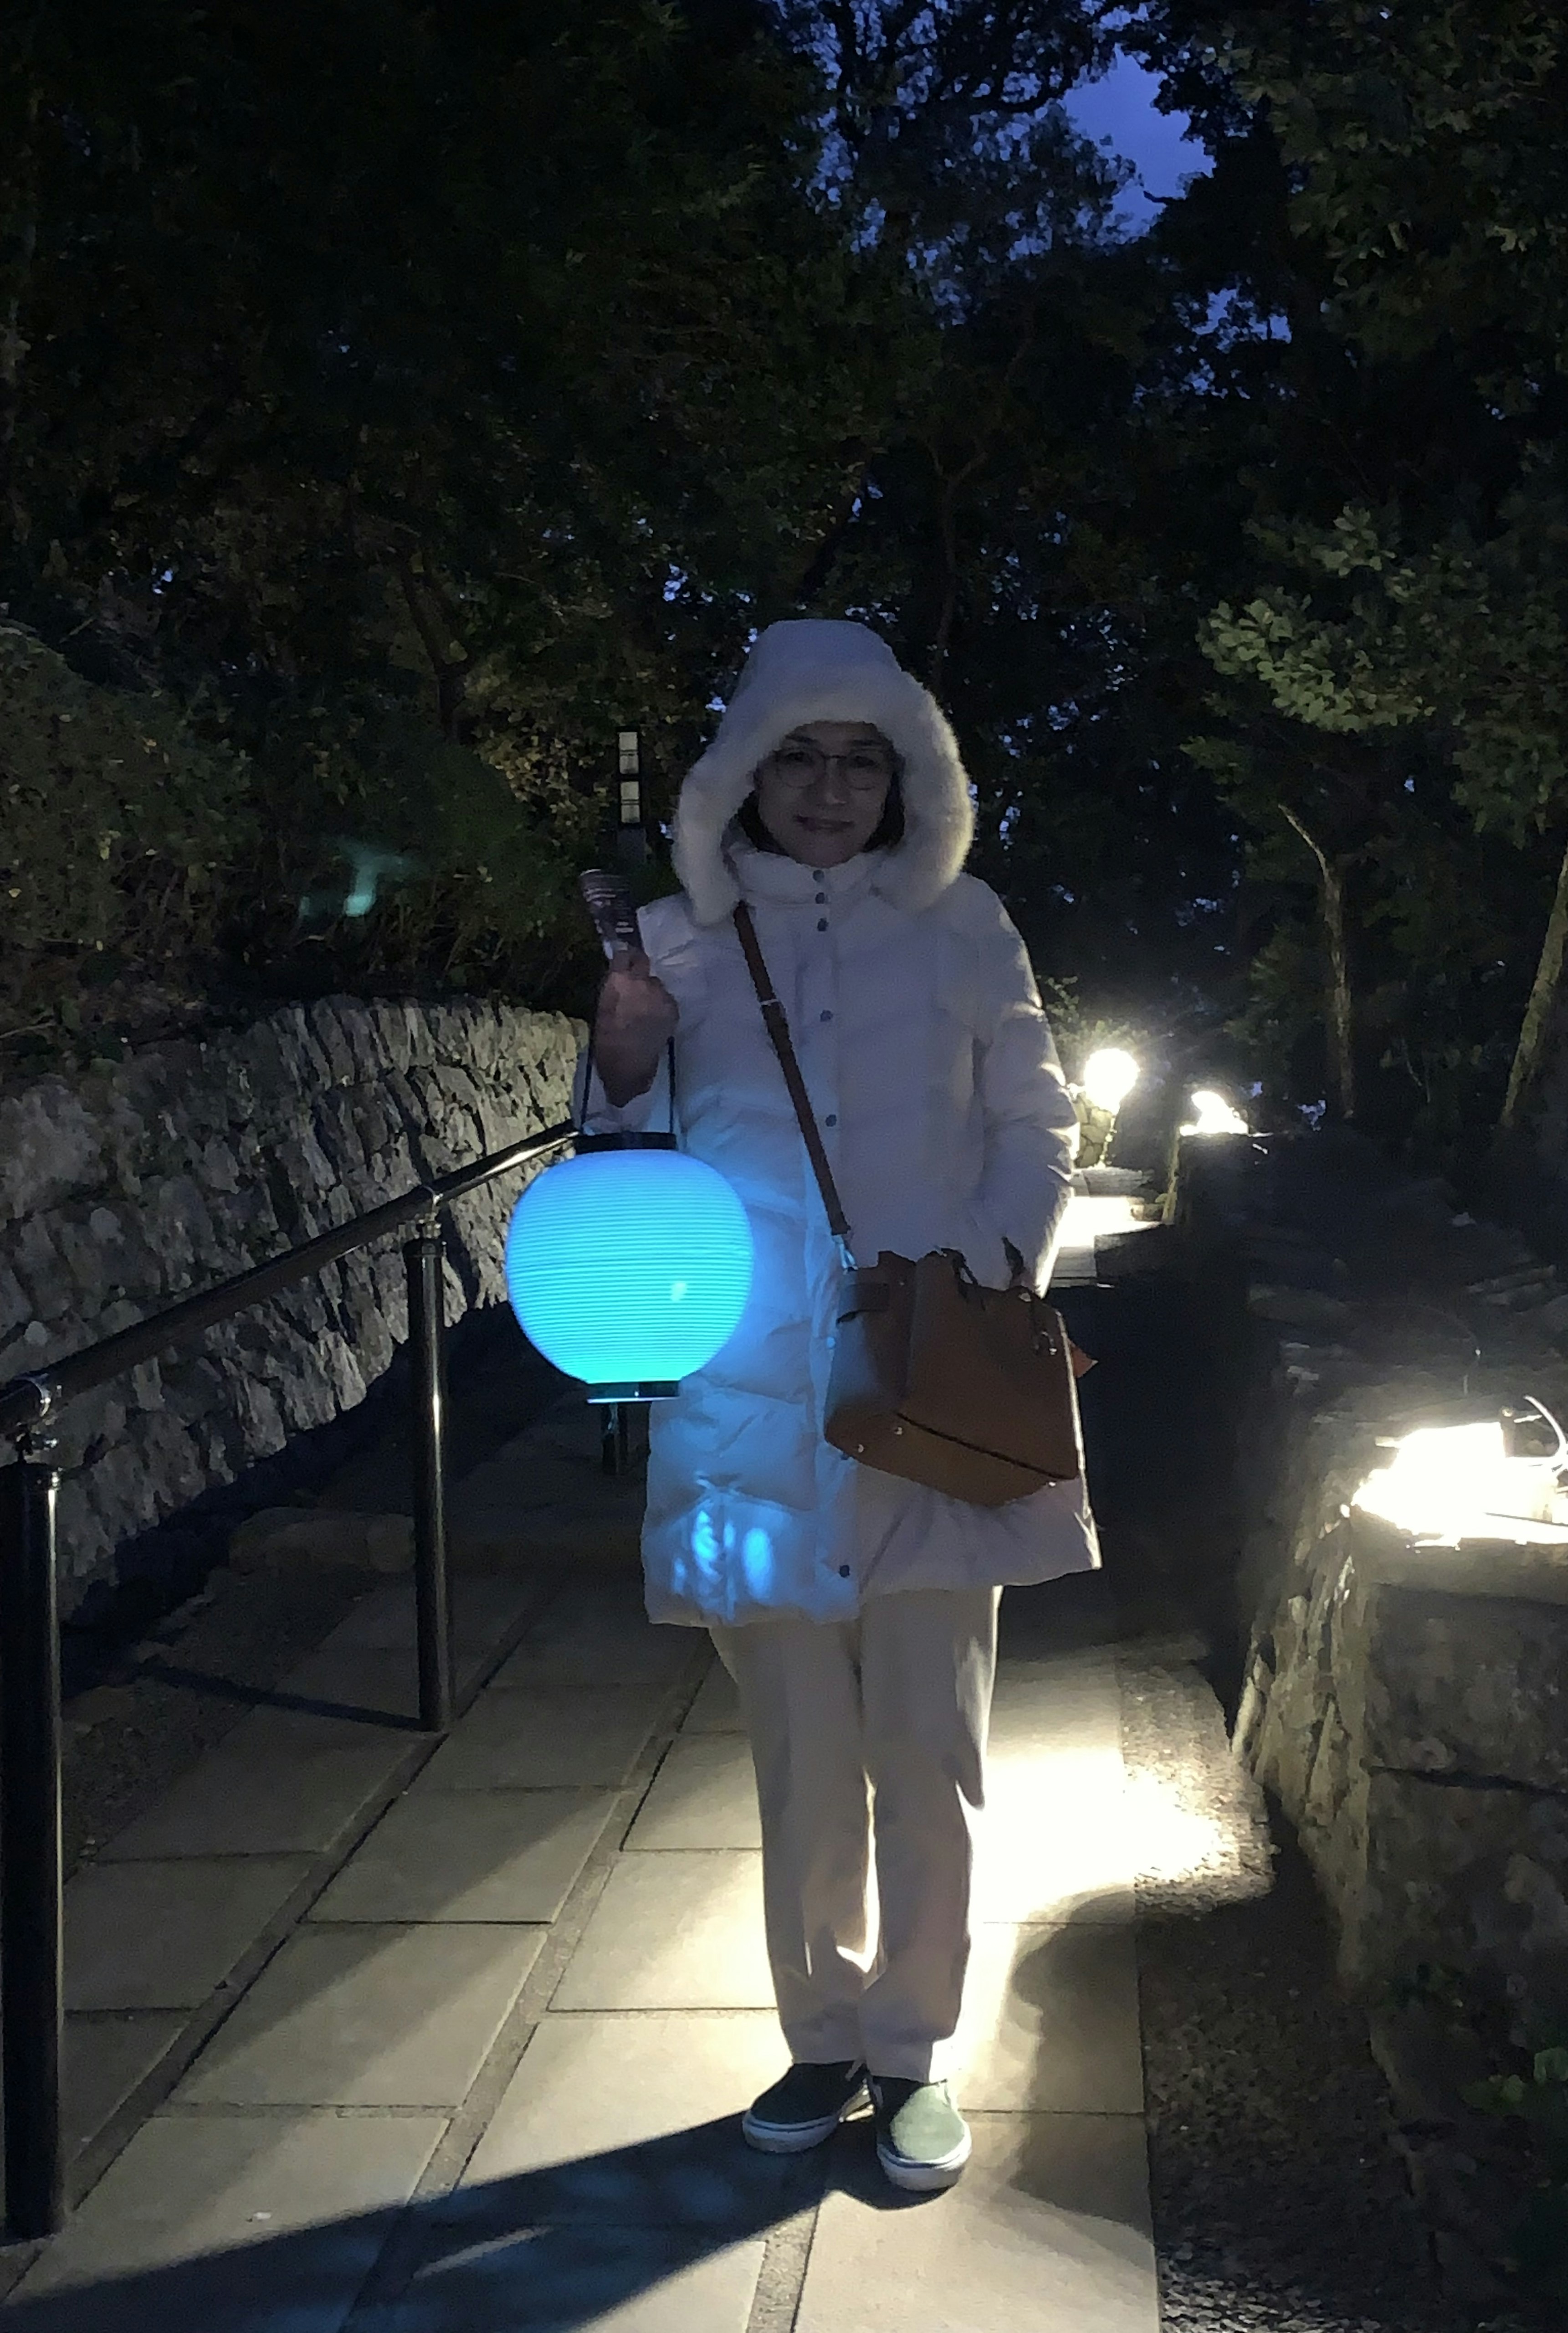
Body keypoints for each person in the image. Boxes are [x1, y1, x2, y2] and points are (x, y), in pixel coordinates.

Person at [582, 617, 1097, 2192]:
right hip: (750, 1398)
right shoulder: (672, 940)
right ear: (744, 774)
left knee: (930, 1739)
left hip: (934, 1388)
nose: (826, 788)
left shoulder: (966, 926)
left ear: (907, 775)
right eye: (795, 756)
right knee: (798, 1745)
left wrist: (985, 1263)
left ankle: (912, 2048)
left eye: (859, 757)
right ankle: (821, 2034)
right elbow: (622, 1173)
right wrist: (620, 1064)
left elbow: (1037, 1118)